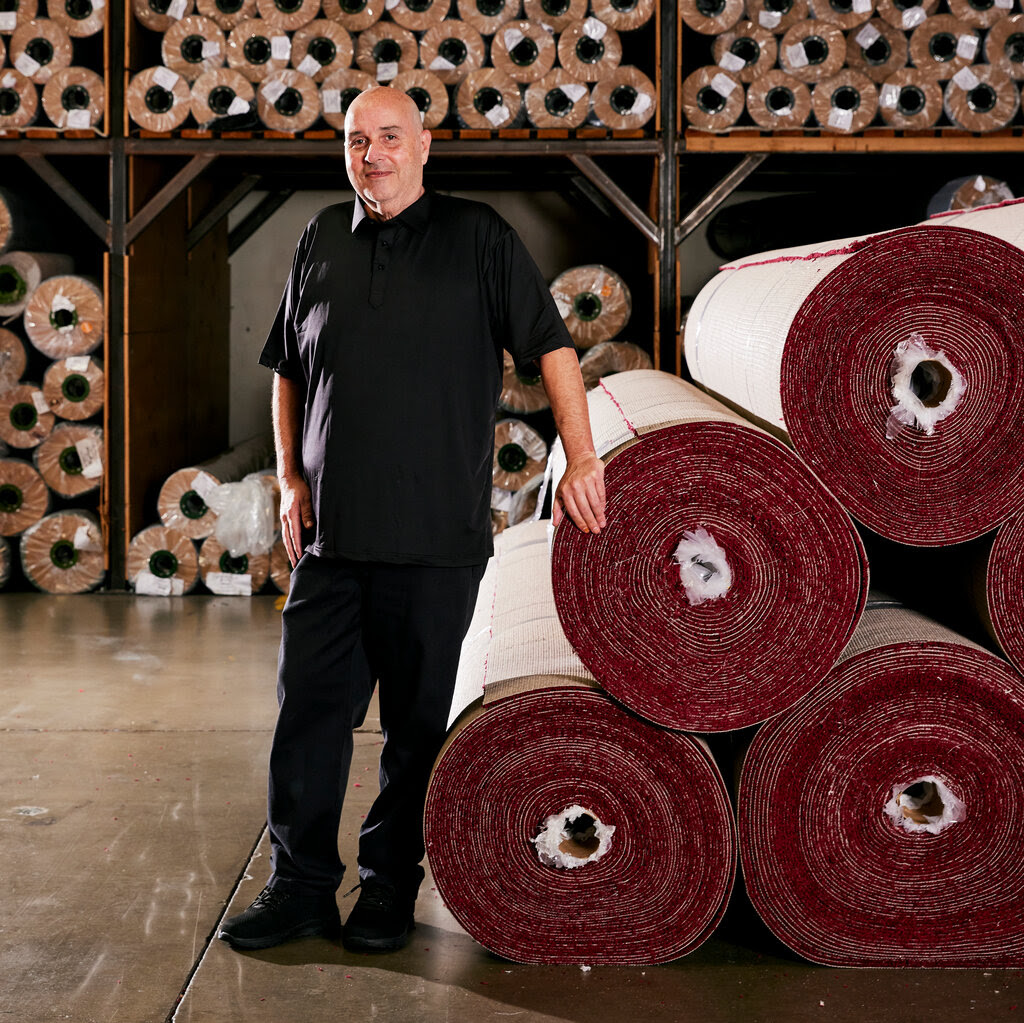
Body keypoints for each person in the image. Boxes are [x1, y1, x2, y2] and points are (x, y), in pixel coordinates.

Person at [218, 86, 606, 954]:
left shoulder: (479, 240)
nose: (373, 156)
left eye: (390, 138)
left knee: (416, 731)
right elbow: (285, 366)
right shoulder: (320, 238)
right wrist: (286, 477)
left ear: (425, 146)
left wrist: (581, 458)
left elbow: (552, 349)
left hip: (436, 546)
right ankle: (302, 887)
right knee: (308, 721)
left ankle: (391, 887)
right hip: (330, 541)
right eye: (357, 141)